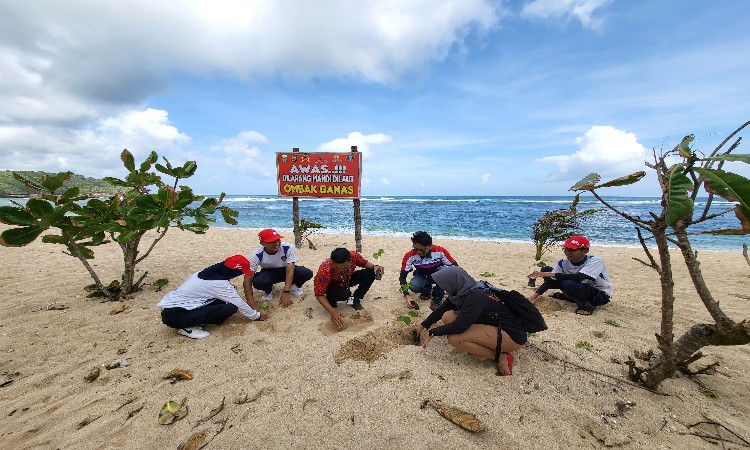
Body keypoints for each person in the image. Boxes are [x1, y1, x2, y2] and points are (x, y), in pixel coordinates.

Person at [409, 266, 526, 376]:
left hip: (511, 336)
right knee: (448, 316)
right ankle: (482, 345)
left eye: (444, 284)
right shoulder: (464, 290)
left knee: (455, 339)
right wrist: (421, 326)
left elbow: (460, 326)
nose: (443, 288)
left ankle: (500, 357)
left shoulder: (475, 296)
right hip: (495, 325)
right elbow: (441, 310)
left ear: (452, 282)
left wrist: (432, 332)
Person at [157, 255, 268, 339]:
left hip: (174, 307)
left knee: (224, 301)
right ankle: (187, 327)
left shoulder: (209, 271)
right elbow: (239, 304)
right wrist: (256, 316)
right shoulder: (219, 283)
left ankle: (193, 321)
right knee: (231, 307)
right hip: (175, 316)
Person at [527, 235, 612, 316]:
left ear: (585, 251)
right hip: (577, 288)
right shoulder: (563, 263)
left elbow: (579, 277)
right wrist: (533, 297)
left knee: (566, 281)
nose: (567, 253)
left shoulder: (595, 260)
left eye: (572, 250)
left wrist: (550, 274)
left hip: (599, 295)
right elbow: (551, 280)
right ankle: (569, 297)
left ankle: (587, 305)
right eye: (566, 249)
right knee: (546, 270)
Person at [314, 247, 385, 329]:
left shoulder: (354, 256)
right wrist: (333, 312)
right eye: (336, 268)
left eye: (344, 267)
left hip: (346, 279)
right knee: (345, 294)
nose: (340, 270)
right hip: (331, 286)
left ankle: (355, 299)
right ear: (332, 262)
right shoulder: (325, 269)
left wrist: (376, 267)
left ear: (350, 260)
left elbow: (365, 264)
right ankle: (331, 299)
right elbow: (319, 294)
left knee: (371, 272)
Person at [243, 228, 313, 309]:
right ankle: (268, 290)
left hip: (285, 269)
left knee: (306, 273)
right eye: (272, 242)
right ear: (262, 243)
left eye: (278, 240)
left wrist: (286, 292)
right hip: (268, 272)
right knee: (259, 282)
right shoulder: (256, 255)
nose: (277, 244)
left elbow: (290, 271)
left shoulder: (288, 248)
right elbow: (247, 279)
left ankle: (294, 286)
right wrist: (250, 302)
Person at [399, 231, 458, 311]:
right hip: (422, 274)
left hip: (438, 273)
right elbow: (402, 277)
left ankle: (437, 297)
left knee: (443, 270)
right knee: (414, 286)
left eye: (422, 249)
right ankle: (427, 289)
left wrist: (454, 288)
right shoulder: (409, 255)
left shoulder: (440, 251)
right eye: (416, 249)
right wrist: (407, 295)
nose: (419, 252)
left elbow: (455, 267)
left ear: (430, 246)